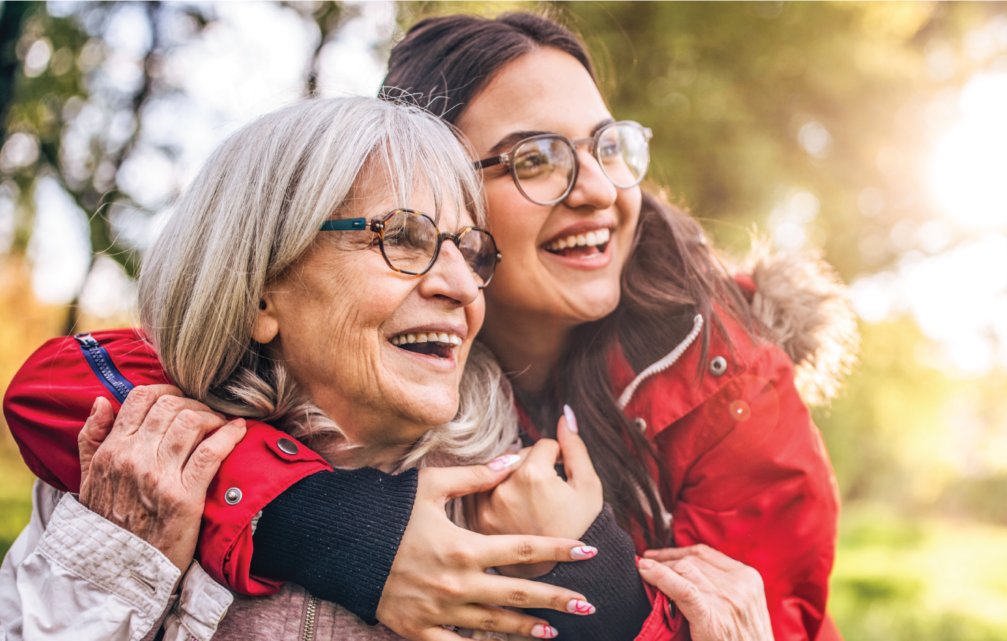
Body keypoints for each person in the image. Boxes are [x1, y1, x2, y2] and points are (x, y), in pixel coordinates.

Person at [4, 10, 854, 641]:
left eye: (605, 146)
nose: (596, 188)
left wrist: (579, 569)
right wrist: (340, 525)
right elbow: (68, 385)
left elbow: (754, 615)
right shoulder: (358, 347)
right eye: (534, 158)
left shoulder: (726, 384)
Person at [0, 96, 611, 640]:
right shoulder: (132, 473)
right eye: (401, 237)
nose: (461, 286)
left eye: (469, 250)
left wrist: (605, 591)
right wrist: (120, 567)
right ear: (260, 290)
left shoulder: (513, 515)